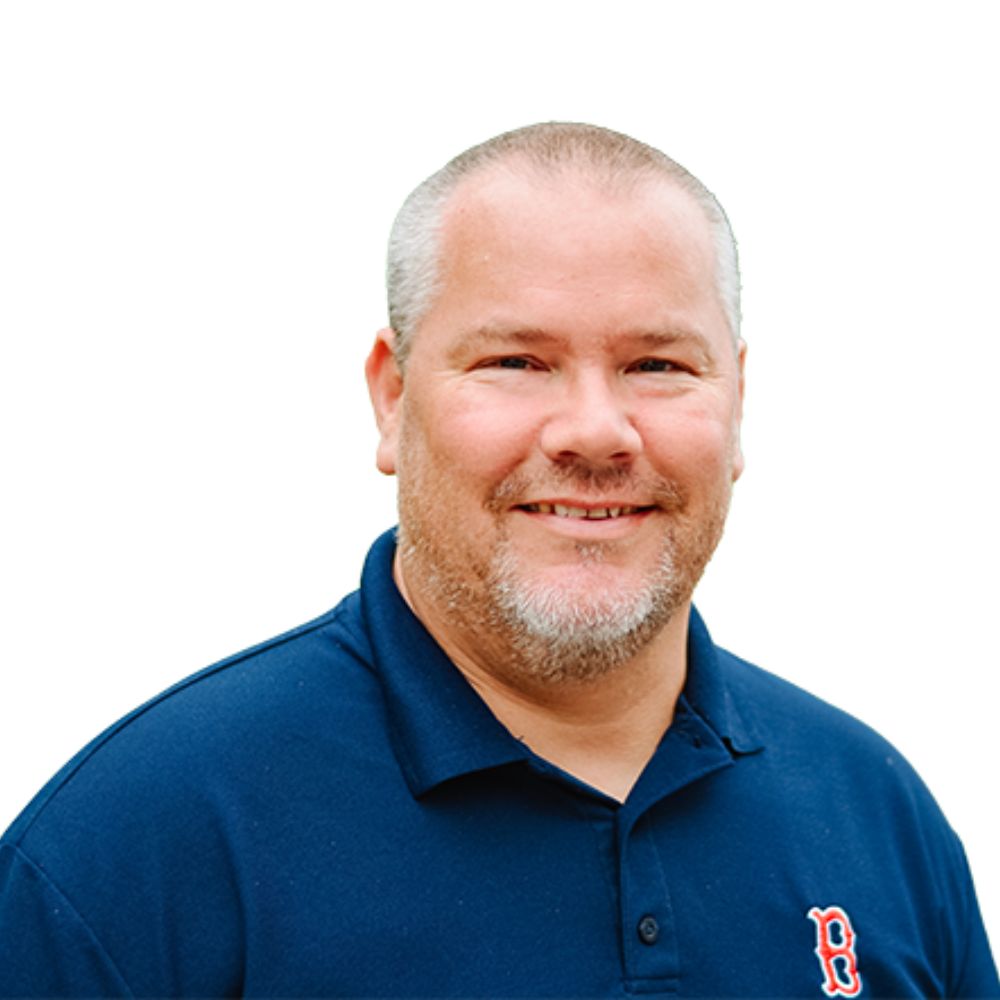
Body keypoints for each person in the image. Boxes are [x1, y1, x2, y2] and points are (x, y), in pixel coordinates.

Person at [0, 122, 996, 998]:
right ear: (392, 398)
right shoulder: (133, 851)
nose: (595, 431)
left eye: (657, 364)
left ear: (737, 401)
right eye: (515, 361)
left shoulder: (878, 817)